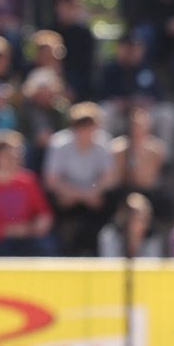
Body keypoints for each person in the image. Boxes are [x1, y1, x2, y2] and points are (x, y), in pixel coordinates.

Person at [0, 131, 54, 255]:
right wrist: (6, 230)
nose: (14, 159)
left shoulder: (28, 181)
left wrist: (40, 223)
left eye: (17, 155)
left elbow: (43, 212)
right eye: (8, 155)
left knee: (45, 243)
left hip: (25, 239)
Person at [42, 102, 111, 255]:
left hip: (93, 195)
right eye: (82, 125)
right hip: (66, 196)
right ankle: (58, 252)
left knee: (109, 203)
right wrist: (78, 194)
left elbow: (108, 178)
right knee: (51, 202)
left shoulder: (103, 142)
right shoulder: (59, 143)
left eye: (90, 125)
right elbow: (51, 180)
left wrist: (90, 193)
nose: (86, 131)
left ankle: (95, 252)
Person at [97, 192, 163, 259]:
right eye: (132, 215)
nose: (138, 220)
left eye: (143, 216)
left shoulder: (153, 237)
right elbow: (109, 262)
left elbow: (152, 264)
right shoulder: (109, 235)